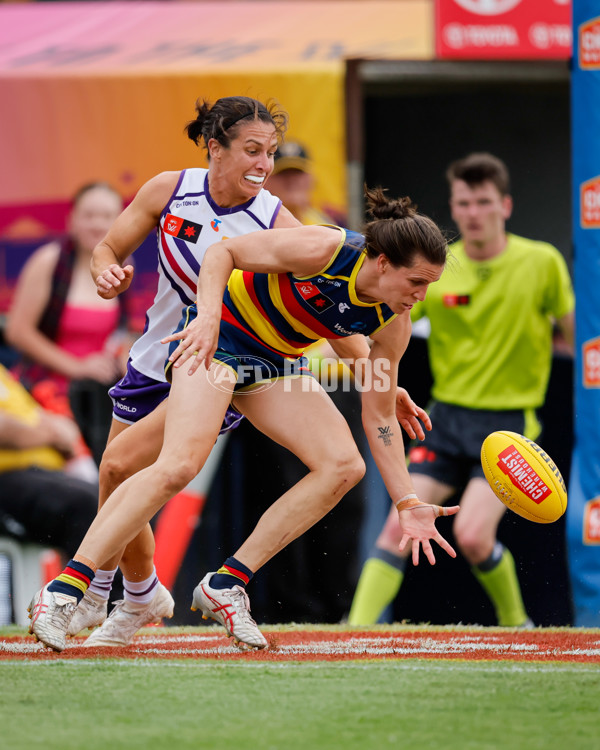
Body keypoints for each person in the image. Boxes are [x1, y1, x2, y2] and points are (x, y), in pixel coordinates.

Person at [28, 186, 459, 653]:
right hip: (217, 345)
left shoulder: (392, 324)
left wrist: (408, 501)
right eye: (417, 281)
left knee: (343, 465)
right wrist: (209, 317)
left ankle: (225, 583)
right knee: (174, 466)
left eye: (429, 285)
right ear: (382, 264)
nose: (421, 296)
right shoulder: (324, 247)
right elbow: (222, 252)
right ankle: (65, 592)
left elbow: (379, 418)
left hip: (271, 366)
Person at [348, 152, 575, 628]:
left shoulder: (541, 262)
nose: (473, 212)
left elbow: (576, 337)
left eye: (483, 202)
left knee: (472, 536)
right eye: (464, 203)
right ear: (453, 208)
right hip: (446, 419)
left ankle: (520, 627)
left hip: (509, 426)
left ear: (505, 206)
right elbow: (384, 327)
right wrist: (306, 353)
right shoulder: (436, 271)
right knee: (397, 527)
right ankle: (352, 636)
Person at [5, 182, 130, 479]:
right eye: (89, 215)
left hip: (102, 399)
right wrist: (76, 366)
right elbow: (17, 331)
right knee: (86, 482)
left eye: (106, 216)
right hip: (47, 393)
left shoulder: (122, 265)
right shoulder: (50, 261)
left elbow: (121, 332)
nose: (97, 223)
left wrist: (124, 357)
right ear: (71, 219)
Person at [0, 364, 97, 560]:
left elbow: (33, 415)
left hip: (41, 471)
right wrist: (54, 433)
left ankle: (132, 586)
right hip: (7, 476)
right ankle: (100, 590)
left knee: (116, 497)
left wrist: (58, 430)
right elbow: (7, 430)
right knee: (84, 503)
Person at [266, 141, 337, 225]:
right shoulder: (256, 223)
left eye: (298, 173)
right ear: (267, 181)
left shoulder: (325, 224)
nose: (291, 180)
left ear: (311, 179)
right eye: (283, 173)